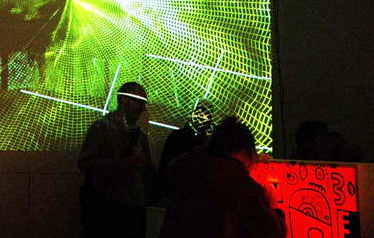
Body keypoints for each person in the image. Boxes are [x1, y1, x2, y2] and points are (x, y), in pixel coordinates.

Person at [160, 117, 285, 238]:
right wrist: (273, 206)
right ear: (243, 152)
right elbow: (271, 233)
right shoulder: (242, 186)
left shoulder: (185, 172)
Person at [78, 82, 155, 238]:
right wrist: (125, 164)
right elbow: (86, 163)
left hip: (132, 211)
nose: (143, 108)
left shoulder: (140, 135)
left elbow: (147, 170)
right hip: (107, 211)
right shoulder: (101, 128)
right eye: (139, 102)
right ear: (123, 100)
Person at [157, 101, 214, 200]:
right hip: (179, 195)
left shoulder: (210, 144)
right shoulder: (178, 137)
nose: (202, 118)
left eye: (206, 115)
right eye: (199, 114)